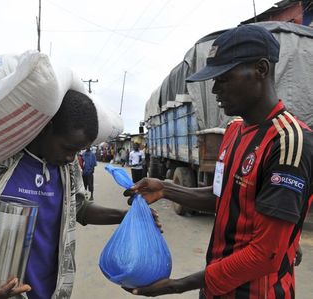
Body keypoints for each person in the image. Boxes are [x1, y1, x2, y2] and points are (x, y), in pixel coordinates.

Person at [125, 24, 312, 298]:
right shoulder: (235, 131)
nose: (214, 90)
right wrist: (166, 189)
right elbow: (223, 197)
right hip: (217, 287)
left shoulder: (289, 142)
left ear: (261, 69)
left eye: (223, 78)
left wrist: (176, 285)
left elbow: (266, 254)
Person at [0, 90, 134, 299]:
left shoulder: (68, 168)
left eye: (77, 151)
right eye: (67, 147)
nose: (71, 157)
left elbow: (78, 208)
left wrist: (126, 216)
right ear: (46, 128)